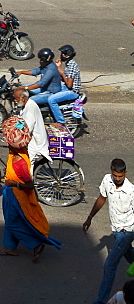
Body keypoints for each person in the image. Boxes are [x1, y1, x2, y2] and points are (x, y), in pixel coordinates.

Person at [0, 115, 60, 261]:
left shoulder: (19, 162)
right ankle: (10, 247)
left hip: (16, 195)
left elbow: (29, 184)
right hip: (12, 193)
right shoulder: (20, 151)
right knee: (10, 221)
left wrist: (14, 184)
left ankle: (36, 244)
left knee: (13, 223)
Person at [84, 158, 134, 304]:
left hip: (128, 231)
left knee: (110, 265)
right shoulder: (107, 180)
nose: (118, 179)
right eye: (115, 176)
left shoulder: (131, 191)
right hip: (116, 230)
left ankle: (100, 301)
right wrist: (90, 217)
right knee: (129, 255)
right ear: (111, 173)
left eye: (121, 176)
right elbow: (101, 198)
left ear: (125, 173)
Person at [13, 86, 50, 164]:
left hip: (35, 141)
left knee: (27, 163)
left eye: (16, 98)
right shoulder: (26, 105)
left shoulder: (30, 108)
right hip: (32, 139)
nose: (15, 100)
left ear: (22, 98)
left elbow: (27, 128)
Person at [46, 44, 82, 124]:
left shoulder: (72, 65)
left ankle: (60, 121)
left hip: (72, 92)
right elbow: (64, 78)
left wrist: (61, 71)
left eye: (64, 54)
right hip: (66, 88)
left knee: (51, 100)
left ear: (68, 55)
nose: (62, 55)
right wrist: (59, 67)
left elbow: (69, 84)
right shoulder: (69, 64)